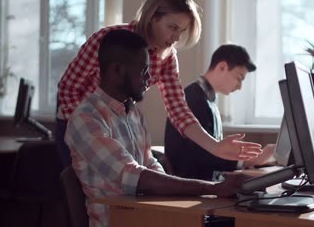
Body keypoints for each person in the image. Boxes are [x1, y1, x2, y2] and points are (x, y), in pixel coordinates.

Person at [56, 0, 262, 167]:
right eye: (172, 27)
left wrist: (215, 147)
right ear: (153, 17)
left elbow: (178, 109)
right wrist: (85, 128)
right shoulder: (107, 40)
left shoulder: (167, 57)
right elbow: (68, 87)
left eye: (181, 31)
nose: (176, 38)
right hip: (75, 121)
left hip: (118, 125)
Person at [64, 30, 250, 227]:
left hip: (152, 217)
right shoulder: (86, 119)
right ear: (117, 70)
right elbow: (137, 177)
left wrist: (207, 191)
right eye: (143, 69)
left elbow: (151, 166)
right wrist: (214, 188)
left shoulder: (133, 113)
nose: (149, 77)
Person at [165, 44, 276, 181]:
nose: (239, 87)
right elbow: (200, 157)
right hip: (192, 185)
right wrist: (248, 161)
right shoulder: (194, 99)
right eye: (239, 77)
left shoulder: (207, 99)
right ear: (222, 67)